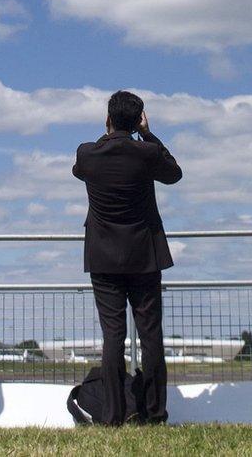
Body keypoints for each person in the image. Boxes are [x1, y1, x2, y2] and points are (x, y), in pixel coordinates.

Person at [72, 90, 182, 425]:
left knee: (112, 337)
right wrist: (147, 134)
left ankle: (113, 414)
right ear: (138, 120)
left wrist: (110, 133)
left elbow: (80, 169)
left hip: (104, 258)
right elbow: (174, 173)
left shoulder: (88, 154)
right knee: (151, 336)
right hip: (144, 257)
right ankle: (154, 412)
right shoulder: (146, 153)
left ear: (108, 119)